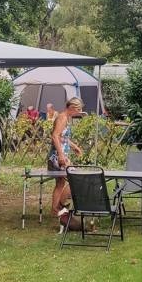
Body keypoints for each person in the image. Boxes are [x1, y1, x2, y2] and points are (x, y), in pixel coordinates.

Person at [48, 97, 89, 231]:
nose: (79, 112)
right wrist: (61, 155)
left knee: (60, 183)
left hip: (62, 155)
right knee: (74, 179)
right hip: (58, 156)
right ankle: (61, 207)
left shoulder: (66, 117)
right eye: (78, 109)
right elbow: (54, 136)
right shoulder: (62, 117)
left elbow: (63, 138)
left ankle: (55, 211)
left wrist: (74, 146)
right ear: (71, 107)